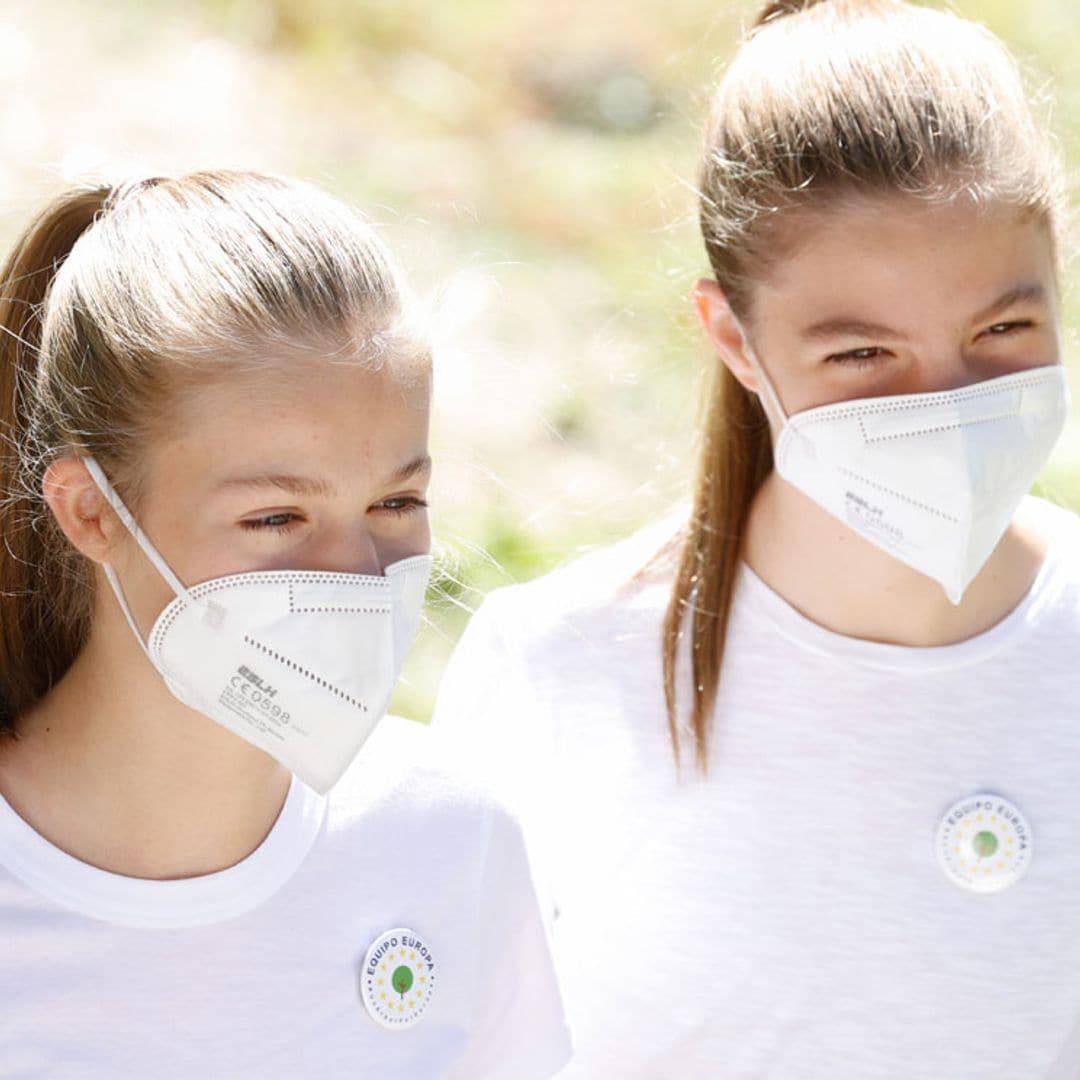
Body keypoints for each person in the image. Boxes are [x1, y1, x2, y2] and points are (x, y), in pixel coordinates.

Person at [432, 1, 1080, 1076]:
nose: (945, 404)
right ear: (732, 336)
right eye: (864, 355)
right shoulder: (558, 668)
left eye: (1001, 332)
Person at [0, 171, 570, 1078]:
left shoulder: (451, 838)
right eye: (275, 518)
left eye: (395, 502)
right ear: (91, 512)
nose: (355, 579)